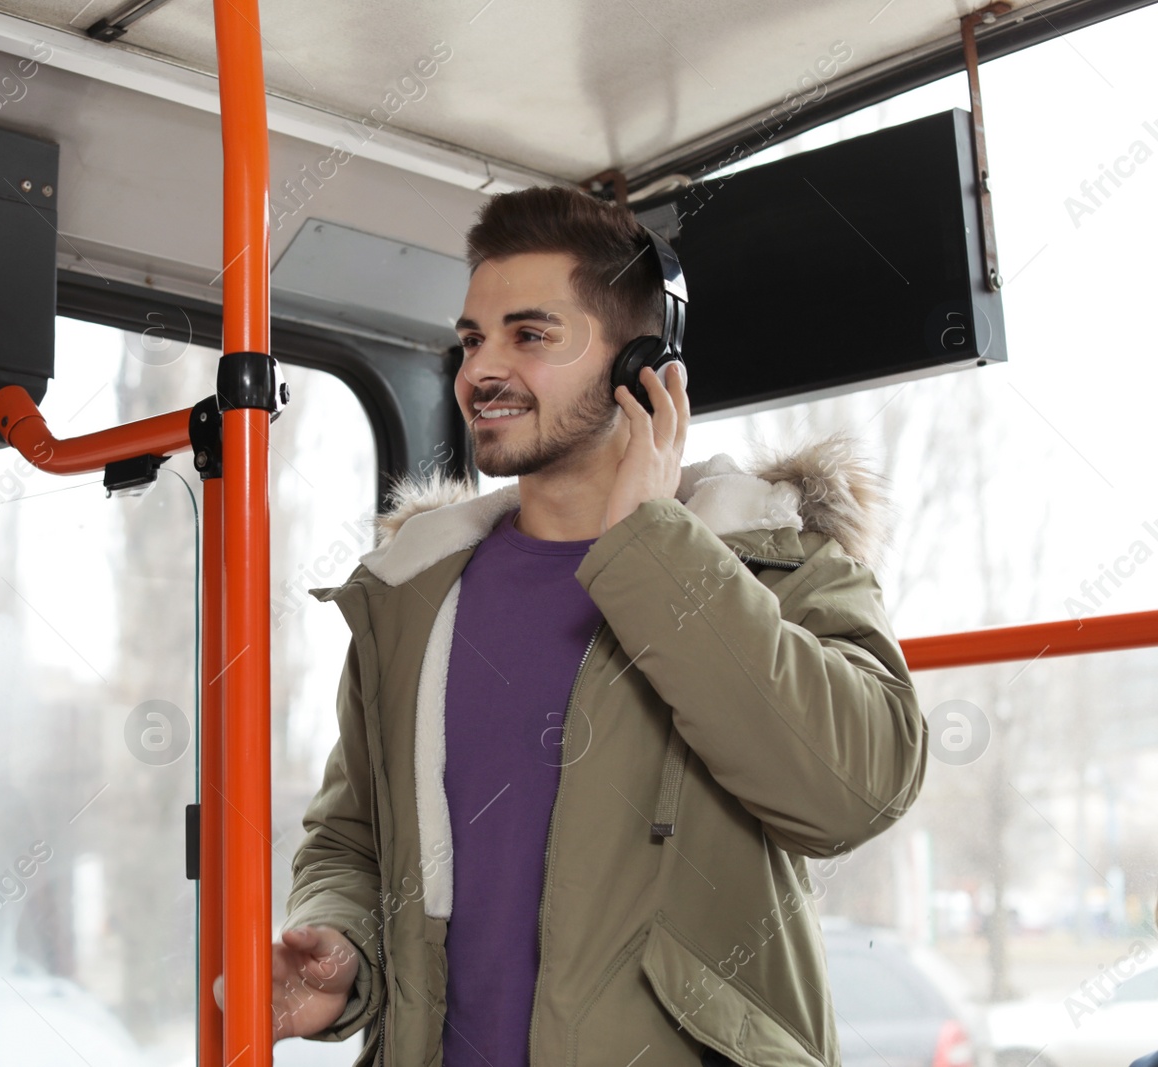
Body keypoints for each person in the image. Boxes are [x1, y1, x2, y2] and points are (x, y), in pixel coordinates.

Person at [255, 185, 928, 1066]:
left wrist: (657, 549)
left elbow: (857, 790)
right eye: (471, 340)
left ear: (642, 366)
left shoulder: (774, 563)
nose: (480, 373)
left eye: (529, 336)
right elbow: (353, 838)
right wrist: (343, 937)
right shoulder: (412, 594)